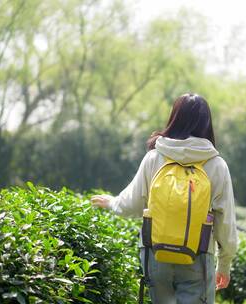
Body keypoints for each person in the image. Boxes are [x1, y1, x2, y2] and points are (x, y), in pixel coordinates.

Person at [91, 93, 238, 303]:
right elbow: (226, 221)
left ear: (175, 118)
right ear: (207, 123)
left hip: (155, 253)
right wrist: (224, 264)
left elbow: (131, 203)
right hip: (198, 255)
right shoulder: (216, 165)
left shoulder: (155, 156)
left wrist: (111, 202)